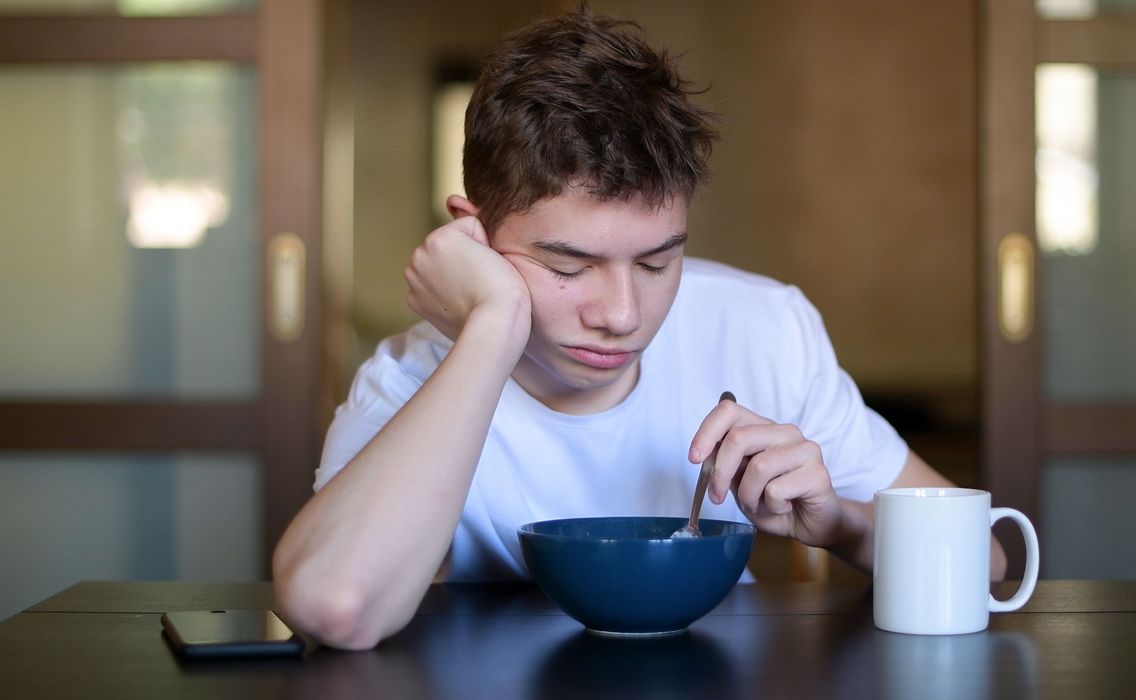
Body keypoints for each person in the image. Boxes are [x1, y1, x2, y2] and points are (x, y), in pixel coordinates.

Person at [273, 8, 1004, 650]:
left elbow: (989, 563)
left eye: (656, 263)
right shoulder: (411, 377)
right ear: (475, 236)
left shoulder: (760, 327)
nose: (622, 315)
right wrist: (490, 327)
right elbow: (334, 606)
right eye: (568, 265)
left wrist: (840, 525)